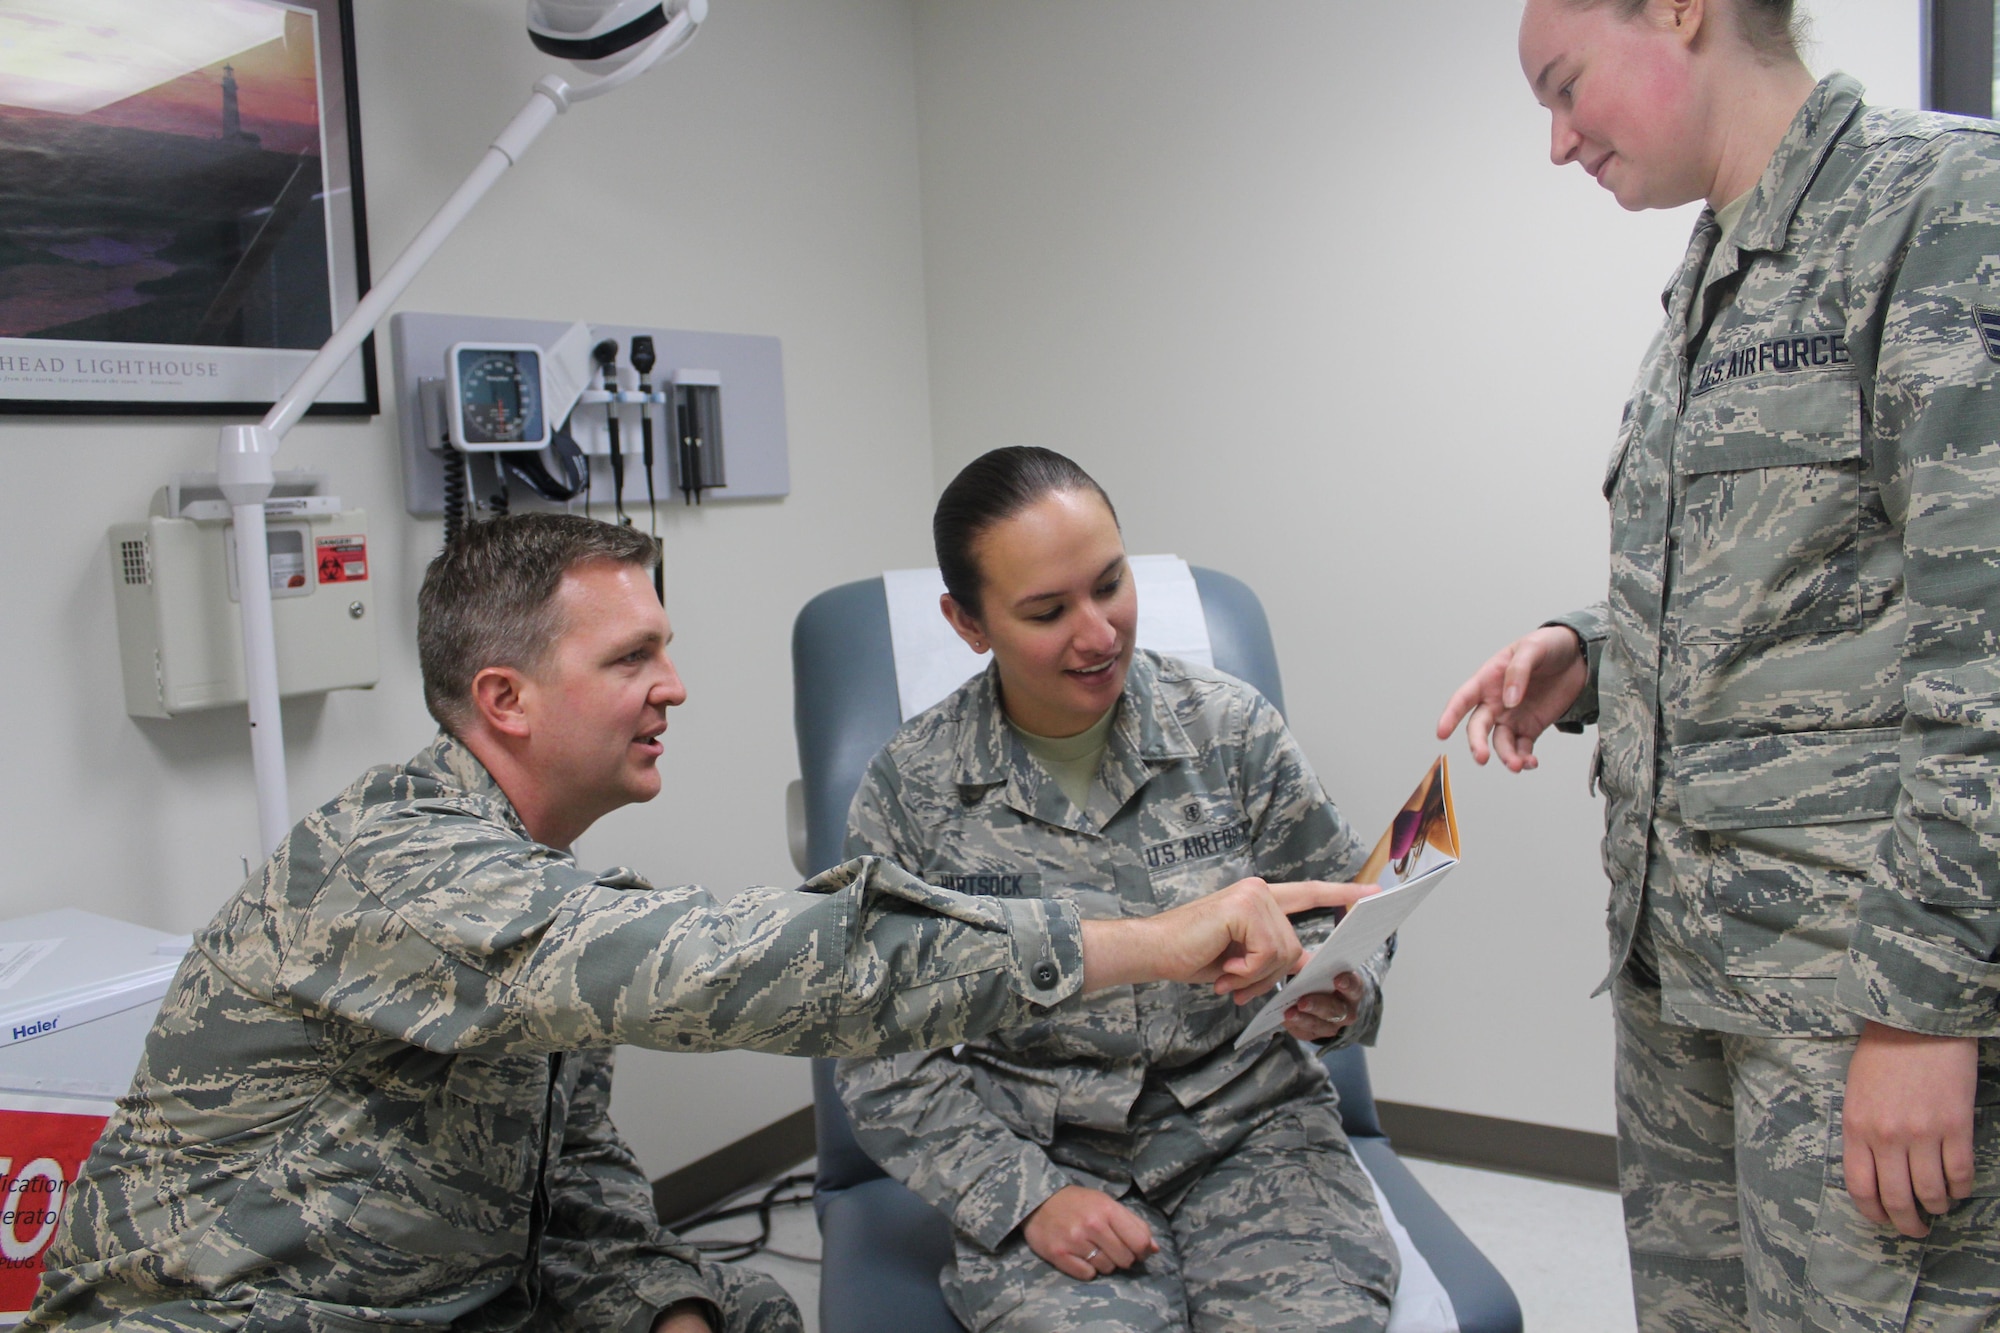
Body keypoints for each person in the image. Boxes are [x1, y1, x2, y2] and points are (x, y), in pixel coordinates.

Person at [27, 514, 1368, 1333]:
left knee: (741, 1309)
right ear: (504, 698)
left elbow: (575, 1187)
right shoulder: (397, 874)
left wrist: (664, 1309)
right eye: (631, 659)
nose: (676, 687)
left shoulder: (542, 910)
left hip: (453, 1301)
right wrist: (1147, 938)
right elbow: (788, 966)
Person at [1438, 2, 2000, 1329]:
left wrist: (1923, 1015)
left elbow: (1982, 642)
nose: (1560, 143)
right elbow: (1779, 582)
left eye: (1566, 89)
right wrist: (1589, 645)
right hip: (1681, 981)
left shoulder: (1939, 210)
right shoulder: (1712, 273)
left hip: (1848, 1000)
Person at [838, 447, 1398, 1333]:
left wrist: (1338, 987)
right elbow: (877, 1055)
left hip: (1253, 1128)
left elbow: (1349, 907)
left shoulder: (1231, 731)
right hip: (1042, 1149)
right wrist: (1021, 1197)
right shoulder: (915, 789)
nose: (1098, 633)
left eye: (1109, 584)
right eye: (1047, 610)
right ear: (968, 622)